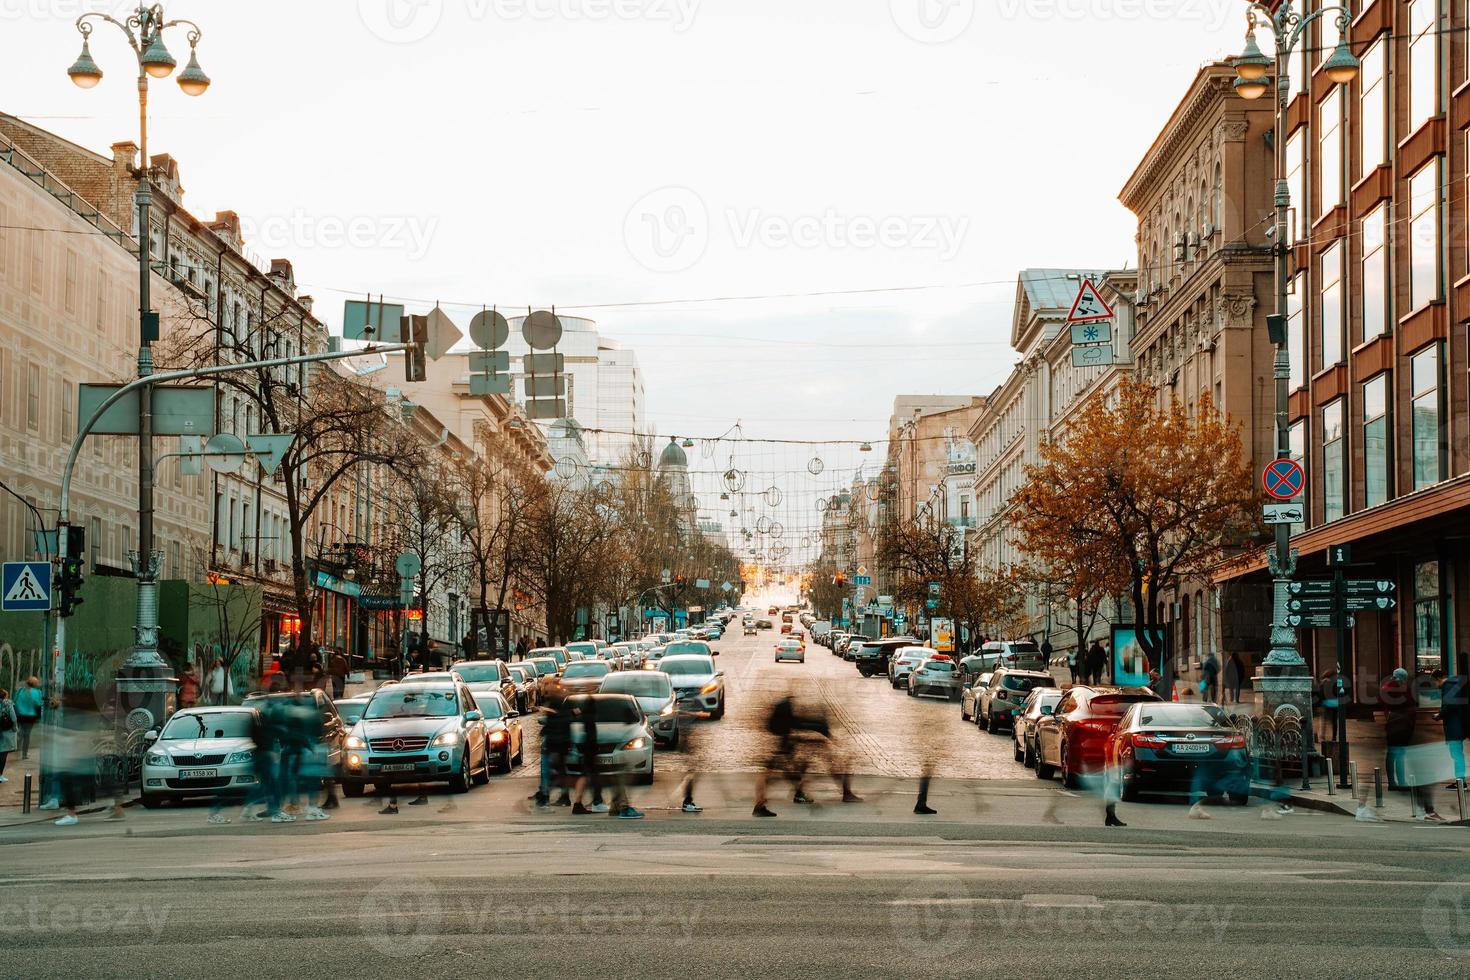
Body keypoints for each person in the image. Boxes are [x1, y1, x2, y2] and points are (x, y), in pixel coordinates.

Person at [1382, 667, 1443, 821]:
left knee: (1395, 753)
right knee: (1396, 753)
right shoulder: (1398, 689)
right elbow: (1410, 702)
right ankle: (1397, 781)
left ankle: (1397, 781)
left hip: (1398, 724)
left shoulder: (1393, 688)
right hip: (1400, 724)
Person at [1438, 662, 1468, 791]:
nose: (1435, 685)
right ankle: (1460, 781)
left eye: (1434, 682)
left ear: (1438, 679)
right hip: (1456, 726)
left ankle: (1461, 782)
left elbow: (1451, 706)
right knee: (1457, 754)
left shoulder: (1448, 686)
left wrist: (1439, 715)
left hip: (1454, 727)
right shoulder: (1453, 685)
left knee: (1456, 755)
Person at [14, 676, 42, 760]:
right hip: (30, 716)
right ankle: (24, 754)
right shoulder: (37, 692)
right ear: (35, 684)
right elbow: (38, 704)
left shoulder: (20, 691)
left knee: (21, 732)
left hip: (20, 715)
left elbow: (14, 701)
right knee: (27, 735)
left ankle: (16, 750)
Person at [0, 688, 17, 784]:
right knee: (3, 754)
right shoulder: (8, 703)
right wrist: (15, 727)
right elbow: (13, 717)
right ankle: (0, 775)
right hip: (6, 731)